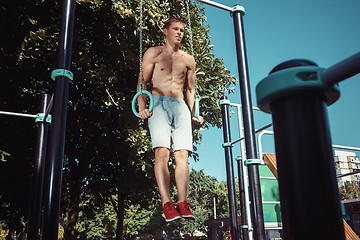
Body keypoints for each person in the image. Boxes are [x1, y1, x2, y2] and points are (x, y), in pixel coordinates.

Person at [136, 17, 204, 222]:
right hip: (158, 103)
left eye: (182, 30)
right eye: (175, 29)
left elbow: (191, 89)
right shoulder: (153, 53)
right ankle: (167, 204)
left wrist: (192, 114)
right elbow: (142, 82)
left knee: (183, 154)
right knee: (162, 152)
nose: (179, 33)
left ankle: (182, 203)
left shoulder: (188, 59)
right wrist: (142, 107)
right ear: (165, 31)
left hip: (181, 105)